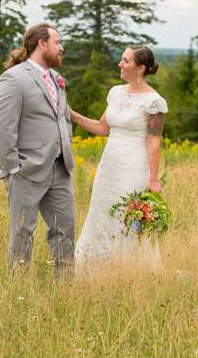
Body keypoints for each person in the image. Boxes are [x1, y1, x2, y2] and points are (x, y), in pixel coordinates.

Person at [70, 45, 167, 271]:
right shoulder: (115, 92)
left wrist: (153, 180)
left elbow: (154, 141)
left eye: (125, 60)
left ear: (141, 68)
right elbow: (102, 128)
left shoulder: (154, 101)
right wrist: (70, 114)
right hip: (109, 167)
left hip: (134, 168)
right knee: (101, 212)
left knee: (125, 217)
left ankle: (127, 270)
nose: (120, 64)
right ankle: (92, 268)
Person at [0, 23, 76, 274]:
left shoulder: (56, 79)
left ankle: (65, 288)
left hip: (60, 168)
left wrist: (66, 147)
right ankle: (18, 290)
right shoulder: (13, 78)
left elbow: (63, 118)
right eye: (57, 42)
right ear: (42, 44)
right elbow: (4, 127)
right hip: (26, 169)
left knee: (65, 228)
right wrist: (13, 167)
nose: (62, 48)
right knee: (22, 231)